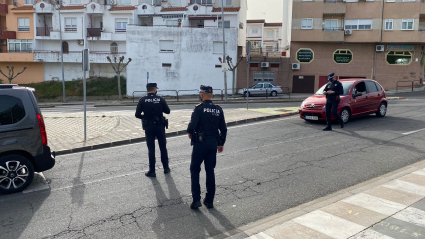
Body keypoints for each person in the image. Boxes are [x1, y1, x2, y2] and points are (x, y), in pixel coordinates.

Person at [187, 85, 227, 210]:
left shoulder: (198, 109)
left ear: (202, 95)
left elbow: (191, 127)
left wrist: (190, 132)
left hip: (200, 144)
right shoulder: (218, 109)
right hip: (213, 144)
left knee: (195, 170)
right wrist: (221, 143)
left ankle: (196, 200)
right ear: (211, 95)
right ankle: (209, 201)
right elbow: (223, 129)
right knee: (210, 171)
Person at [135, 83, 171, 177]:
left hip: (149, 126)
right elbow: (168, 111)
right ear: (155, 89)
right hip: (160, 126)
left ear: (147, 89)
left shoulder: (142, 100)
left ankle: (152, 171)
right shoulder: (160, 99)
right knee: (163, 147)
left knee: (151, 148)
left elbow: (137, 114)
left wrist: (145, 117)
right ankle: (166, 168)